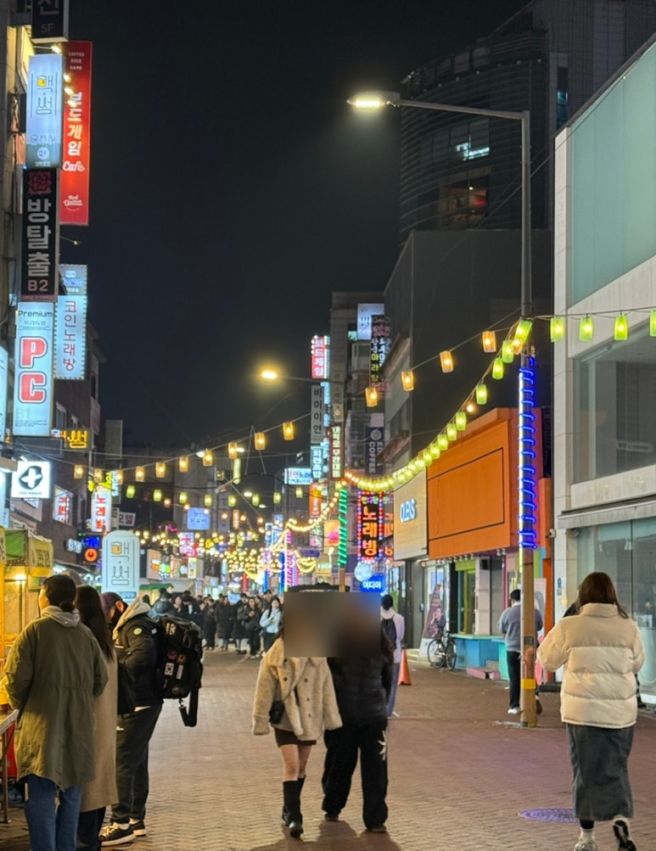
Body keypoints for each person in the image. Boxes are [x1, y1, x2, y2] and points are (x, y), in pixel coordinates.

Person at [538, 572, 644, 851]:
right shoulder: (628, 626)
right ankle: (621, 819)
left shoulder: (570, 625)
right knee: (616, 769)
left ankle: (587, 838)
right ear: (612, 595)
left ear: (582, 595)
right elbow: (637, 663)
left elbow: (547, 660)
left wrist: (570, 618)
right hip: (621, 714)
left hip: (582, 713)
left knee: (585, 772)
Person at [3, 575, 107, 851]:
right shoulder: (85, 634)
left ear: (45, 597)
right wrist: (79, 701)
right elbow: (101, 680)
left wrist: (26, 703)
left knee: (40, 799)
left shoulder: (35, 631)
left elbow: (14, 680)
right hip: (79, 729)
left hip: (42, 729)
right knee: (71, 799)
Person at [252, 631, 342, 839]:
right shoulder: (275, 654)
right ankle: (295, 816)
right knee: (291, 766)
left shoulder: (318, 656)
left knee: (301, 766)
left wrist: (331, 717)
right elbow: (263, 688)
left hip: (309, 717)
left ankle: (287, 808)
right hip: (285, 718)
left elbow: (327, 688)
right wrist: (260, 718)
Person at [99, 593, 162, 846]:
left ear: (118, 607)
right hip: (143, 702)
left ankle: (120, 822)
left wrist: (117, 674)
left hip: (139, 702)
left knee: (123, 758)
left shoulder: (135, 626)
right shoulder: (133, 623)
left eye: (107, 614)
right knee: (136, 759)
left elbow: (143, 655)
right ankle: (136, 819)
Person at [322, 625, 394, 833]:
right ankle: (375, 819)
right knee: (376, 770)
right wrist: (381, 705)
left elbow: (328, 682)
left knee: (339, 764)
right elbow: (387, 685)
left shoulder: (336, 651)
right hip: (374, 718)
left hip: (345, 717)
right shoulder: (382, 651)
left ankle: (332, 806)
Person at [76, 586, 118, 851]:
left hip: (89, 726)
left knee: (86, 792)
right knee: (98, 787)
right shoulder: (106, 642)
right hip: (104, 727)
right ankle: (91, 842)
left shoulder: (86, 643)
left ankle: (86, 843)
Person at [499, 588, 543, 715]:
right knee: (529, 672)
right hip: (529, 648)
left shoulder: (507, 613)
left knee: (514, 677)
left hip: (512, 648)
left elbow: (502, 628)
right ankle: (534, 695)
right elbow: (540, 626)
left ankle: (514, 705)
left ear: (512, 599)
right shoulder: (534, 611)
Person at [380, 594, 405, 718]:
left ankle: (378, 708)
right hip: (394, 656)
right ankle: (388, 711)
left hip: (379, 656)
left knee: (379, 682)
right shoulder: (399, 618)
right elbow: (400, 636)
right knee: (393, 684)